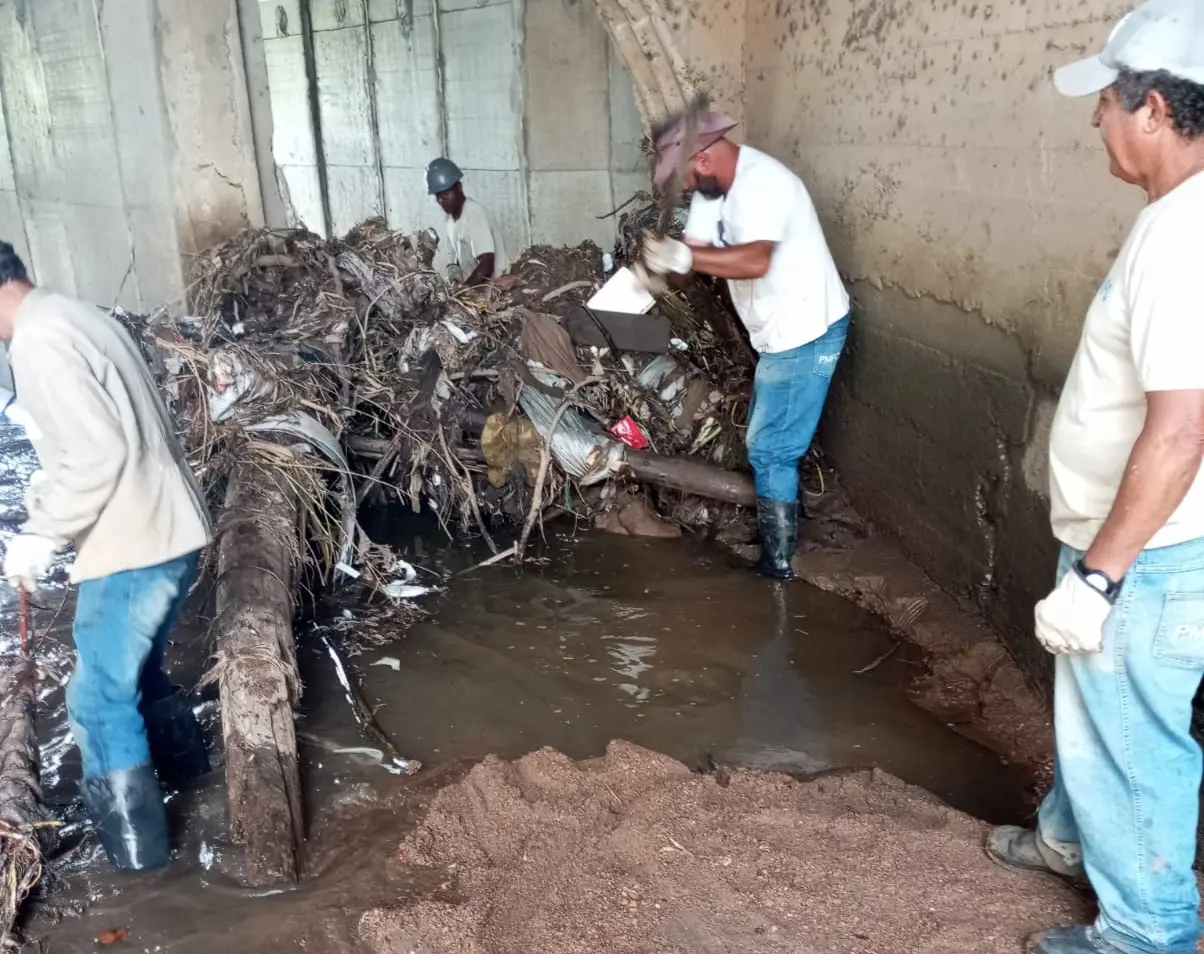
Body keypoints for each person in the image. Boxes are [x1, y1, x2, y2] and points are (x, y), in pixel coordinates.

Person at [984, 1, 1204, 951]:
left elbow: (1183, 429)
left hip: (1147, 556)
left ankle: (1147, 935)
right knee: (1097, 713)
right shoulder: (1173, 218)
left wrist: (1102, 577)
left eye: (1106, 102)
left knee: (1132, 740)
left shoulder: (1186, 239)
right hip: (1132, 540)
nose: (1094, 119)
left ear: (1153, 108)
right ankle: (1067, 839)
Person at [0, 243, 212, 872]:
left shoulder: (38, 341)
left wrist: (41, 534)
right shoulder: (76, 315)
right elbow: (100, 436)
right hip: (171, 531)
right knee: (136, 677)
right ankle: (198, 787)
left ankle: (142, 869)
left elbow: (98, 455)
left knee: (96, 701)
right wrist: (44, 500)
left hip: (133, 546)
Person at [639, 109, 850, 579]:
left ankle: (778, 567)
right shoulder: (712, 191)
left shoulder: (764, 185)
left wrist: (685, 256)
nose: (684, 187)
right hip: (776, 332)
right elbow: (693, 259)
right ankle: (778, 532)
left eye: (682, 176)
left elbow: (756, 260)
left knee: (772, 449)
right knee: (766, 441)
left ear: (702, 158)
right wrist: (662, 267)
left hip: (806, 330)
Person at [425, 157, 511, 287]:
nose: (441, 201)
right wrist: (454, 277)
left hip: (495, 285)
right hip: (474, 284)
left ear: (459, 188)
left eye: (445, 194)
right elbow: (454, 258)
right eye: (438, 196)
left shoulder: (474, 214)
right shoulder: (450, 220)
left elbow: (487, 264)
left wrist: (465, 289)